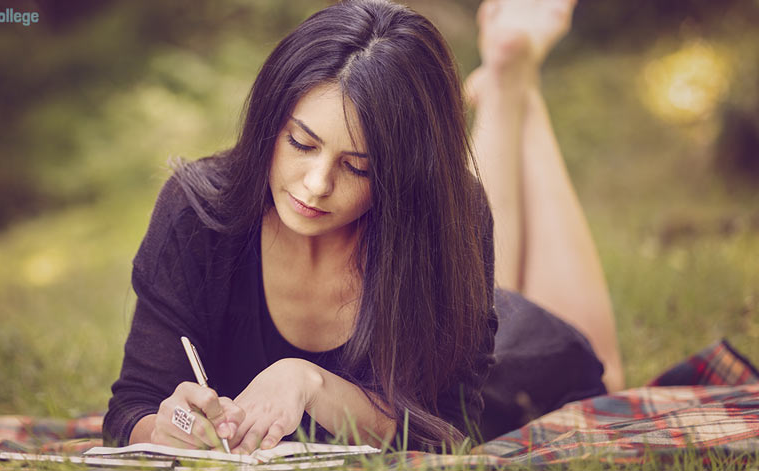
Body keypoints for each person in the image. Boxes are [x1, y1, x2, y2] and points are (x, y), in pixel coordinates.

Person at [103, 0, 623, 454]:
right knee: (487, 269)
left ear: (401, 176)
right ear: (271, 120)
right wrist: (164, 427)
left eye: (358, 167)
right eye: (301, 143)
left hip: (517, 360)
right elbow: (133, 407)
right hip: (463, 297)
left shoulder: (446, 213)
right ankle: (508, 88)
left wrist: (309, 382)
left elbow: (447, 434)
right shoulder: (198, 214)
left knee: (609, 374)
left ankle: (515, 90)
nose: (315, 183)